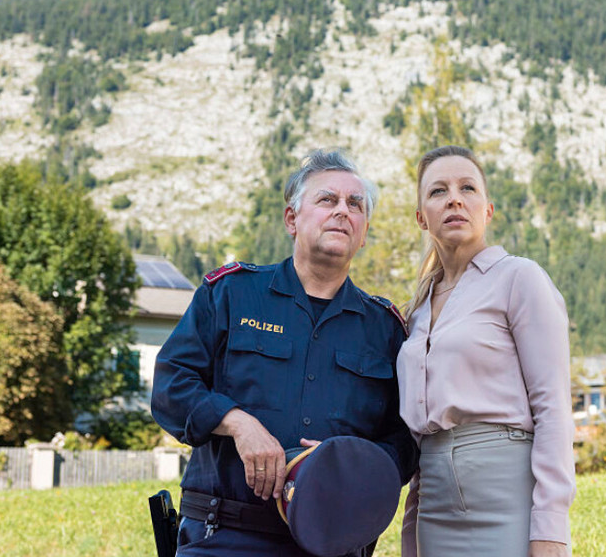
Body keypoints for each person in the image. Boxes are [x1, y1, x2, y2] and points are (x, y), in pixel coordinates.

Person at [152, 149, 418, 556]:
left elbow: (407, 438)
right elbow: (171, 385)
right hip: (225, 536)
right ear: (292, 220)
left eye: (355, 204)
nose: (342, 212)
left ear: (364, 233)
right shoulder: (230, 294)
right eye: (327, 200)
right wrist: (238, 422)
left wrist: (348, 463)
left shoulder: (384, 329)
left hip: (334, 542)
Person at [397, 145, 575, 557]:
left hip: (507, 497)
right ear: (421, 217)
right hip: (433, 503)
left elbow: (553, 407)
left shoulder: (520, 278)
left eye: (468, 188)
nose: (455, 198)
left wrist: (550, 528)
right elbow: (419, 432)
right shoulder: (417, 311)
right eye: (438, 191)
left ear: (487, 209)